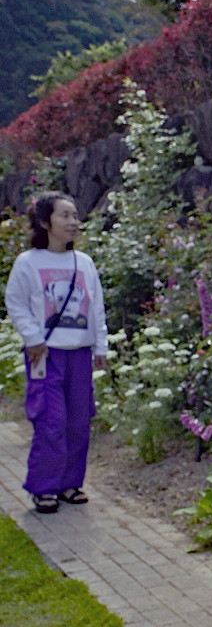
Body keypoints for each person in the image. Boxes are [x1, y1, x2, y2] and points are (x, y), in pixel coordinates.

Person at [4, 192, 108, 514]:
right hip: (45, 355)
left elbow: (97, 307)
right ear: (45, 221)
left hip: (79, 355)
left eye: (75, 215)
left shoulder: (84, 262)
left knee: (78, 421)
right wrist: (33, 338)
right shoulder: (28, 262)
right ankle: (43, 488)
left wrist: (101, 345)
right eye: (65, 216)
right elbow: (16, 303)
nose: (74, 222)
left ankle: (70, 484)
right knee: (51, 421)